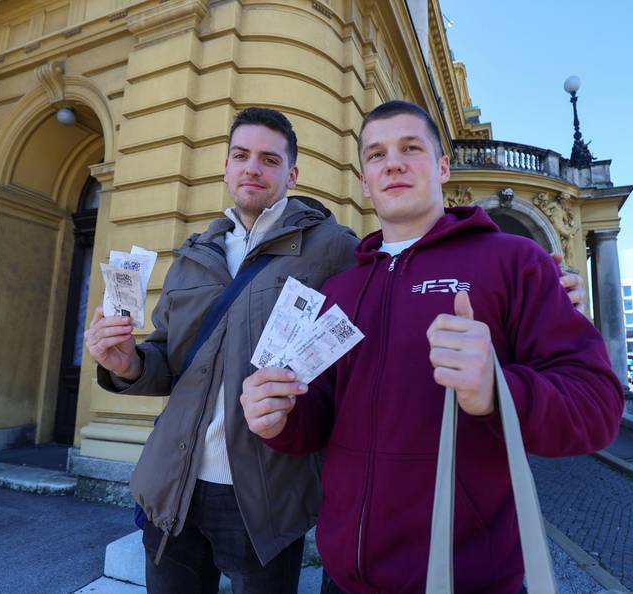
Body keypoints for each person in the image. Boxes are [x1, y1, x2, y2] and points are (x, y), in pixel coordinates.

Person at [83, 106, 587, 593]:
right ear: (226, 166)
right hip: (173, 484)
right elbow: (169, 362)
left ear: (293, 174)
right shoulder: (194, 253)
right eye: (241, 156)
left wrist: (536, 297)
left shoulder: (332, 248)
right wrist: (127, 365)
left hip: (262, 493)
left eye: (269, 159)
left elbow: (397, 280)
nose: (252, 169)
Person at [240, 100, 625, 593]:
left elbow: (597, 407)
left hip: (465, 580)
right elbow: (322, 418)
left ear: (443, 167)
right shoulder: (340, 290)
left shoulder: (515, 262)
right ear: (364, 181)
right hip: (343, 579)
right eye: (376, 155)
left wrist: (498, 390)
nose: (393, 164)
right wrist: (279, 418)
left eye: (410, 148)